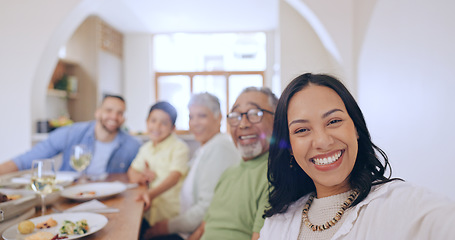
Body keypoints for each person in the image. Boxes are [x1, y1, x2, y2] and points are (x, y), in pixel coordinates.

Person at [259, 73, 455, 239]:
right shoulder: (277, 225)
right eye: (302, 130)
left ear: (356, 129)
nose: (322, 142)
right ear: (290, 148)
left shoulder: (403, 204)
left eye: (334, 121)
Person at [144, 92, 241, 240]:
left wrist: (166, 227)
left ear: (219, 117)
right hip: (183, 225)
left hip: (191, 232)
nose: (194, 123)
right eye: (191, 117)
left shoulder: (220, 148)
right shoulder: (205, 147)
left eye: (202, 116)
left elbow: (206, 207)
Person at [188, 87, 278, 240]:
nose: (243, 124)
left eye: (254, 114)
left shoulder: (275, 174)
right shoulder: (229, 173)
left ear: (278, 120)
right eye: (236, 116)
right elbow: (204, 227)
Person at [0, 94, 141, 175]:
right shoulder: (72, 133)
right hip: (69, 200)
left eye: (120, 113)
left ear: (124, 118)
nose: (114, 117)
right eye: (109, 110)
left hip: (112, 201)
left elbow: (137, 175)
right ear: (98, 112)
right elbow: (26, 160)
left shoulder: (133, 145)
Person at [128, 101, 190, 229]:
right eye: (153, 120)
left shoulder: (179, 148)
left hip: (171, 217)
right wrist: (141, 177)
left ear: (173, 128)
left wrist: (150, 194)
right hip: (147, 214)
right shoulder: (146, 148)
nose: (156, 126)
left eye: (164, 123)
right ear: (146, 122)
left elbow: (174, 178)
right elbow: (131, 171)